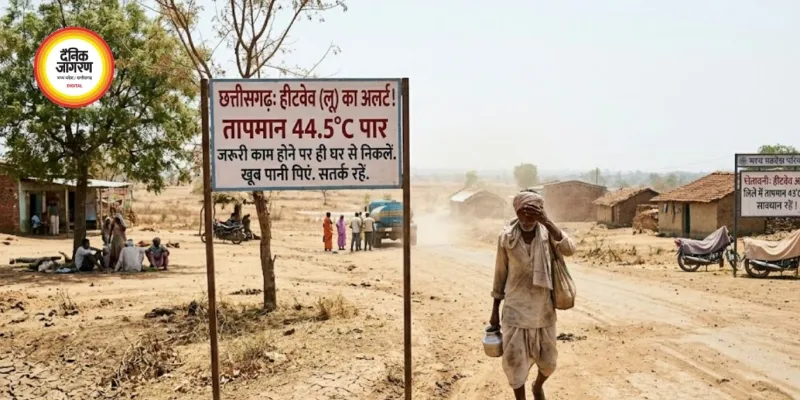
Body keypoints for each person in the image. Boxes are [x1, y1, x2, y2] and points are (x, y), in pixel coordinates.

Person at [490, 191, 575, 400]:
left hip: (543, 312)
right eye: (523, 212)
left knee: (549, 363)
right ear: (516, 211)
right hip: (515, 312)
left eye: (533, 213)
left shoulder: (547, 233)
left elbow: (570, 249)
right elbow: (500, 274)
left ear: (540, 212)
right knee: (514, 364)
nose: (527, 218)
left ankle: (537, 386)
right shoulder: (506, 237)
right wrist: (494, 312)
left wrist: (547, 222)